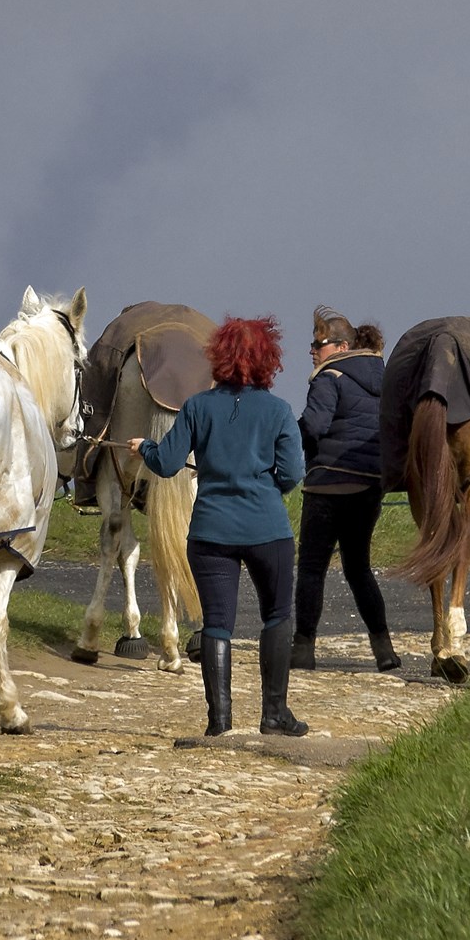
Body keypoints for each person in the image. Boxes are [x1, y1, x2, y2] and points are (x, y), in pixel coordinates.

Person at [128, 315, 309, 737]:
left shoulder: (197, 407)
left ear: (219, 358)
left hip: (211, 531)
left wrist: (146, 447)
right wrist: (267, 487)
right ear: (268, 359)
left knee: (216, 623)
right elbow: (293, 473)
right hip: (268, 530)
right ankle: (274, 714)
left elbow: (167, 463)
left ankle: (219, 722)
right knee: (277, 615)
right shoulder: (279, 411)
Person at [294, 307, 400, 672]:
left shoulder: (330, 376)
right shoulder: (385, 379)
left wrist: (290, 437)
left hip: (327, 485)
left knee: (312, 569)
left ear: (341, 346)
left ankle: (303, 649)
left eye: (318, 344)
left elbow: (314, 425)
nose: (312, 350)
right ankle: (384, 649)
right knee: (359, 569)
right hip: (369, 486)